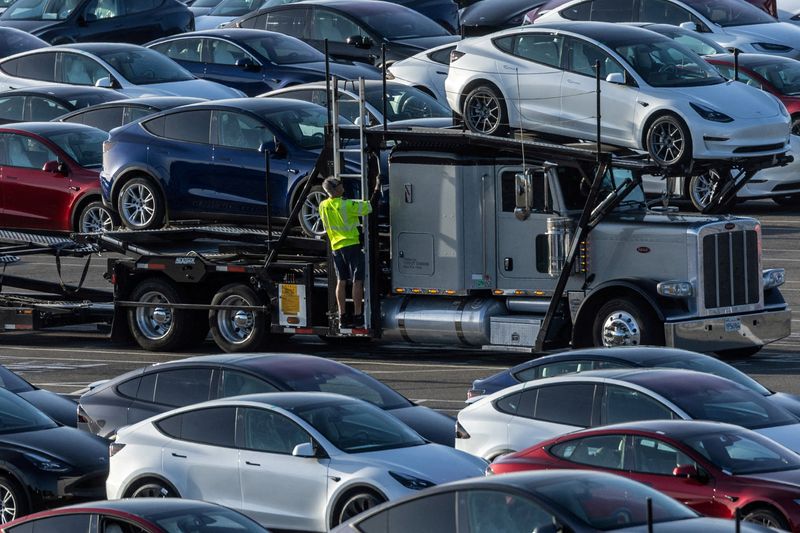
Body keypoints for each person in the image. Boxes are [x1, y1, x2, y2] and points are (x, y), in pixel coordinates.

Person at [318, 176, 379, 328]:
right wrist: (377, 188)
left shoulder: (323, 205)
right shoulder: (347, 205)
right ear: (336, 189)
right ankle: (358, 315)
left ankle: (342, 316)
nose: (342, 185)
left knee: (341, 281)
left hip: (336, 247)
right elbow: (369, 206)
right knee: (358, 281)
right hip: (352, 245)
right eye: (340, 184)